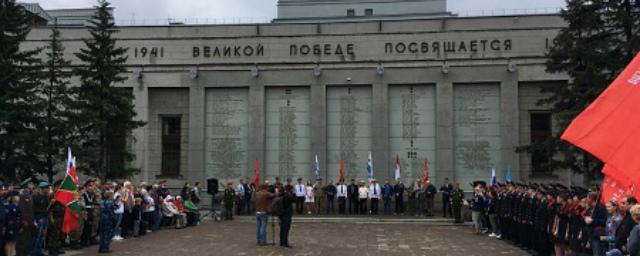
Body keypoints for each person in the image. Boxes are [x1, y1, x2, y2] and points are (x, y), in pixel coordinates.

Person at [584, 192, 607, 256]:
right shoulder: (590, 209)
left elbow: (604, 221)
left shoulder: (600, 208)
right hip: (592, 236)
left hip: (599, 236)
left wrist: (592, 221)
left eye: (587, 198)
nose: (586, 200)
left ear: (591, 199)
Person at [32, 181, 51, 256]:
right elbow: (34, 209)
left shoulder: (46, 197)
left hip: (45, 218)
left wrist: (51, 203)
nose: (48, 189)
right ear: (43, 189)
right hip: (39, 218)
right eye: (47, 188)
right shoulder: (35, 197)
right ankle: (34, 252)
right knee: (37, 236)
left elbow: (48, 208)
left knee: (42, 236)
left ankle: (39, 251)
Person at [16, 178, 35, 256]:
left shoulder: (29, 195)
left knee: (27, 239)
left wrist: (32, 220)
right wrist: (24, 220)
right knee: (22, 240)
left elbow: (31, 209)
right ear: (27, 185)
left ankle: (26, 253)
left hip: (30, 221)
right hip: (25, 221)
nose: (32, 185)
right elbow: (22, 209)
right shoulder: (22, 195)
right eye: (31, 184)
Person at [47, 181, 65, 256]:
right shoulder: (52, 195)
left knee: (59, 234)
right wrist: (51, 218)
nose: (59, 188)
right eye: (58, 187)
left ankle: (57, 247)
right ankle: (52, 249)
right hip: (55, 217)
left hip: (61, 216)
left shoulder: (61, 195)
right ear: (55, 187)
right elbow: (50, 208)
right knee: (54, 234)